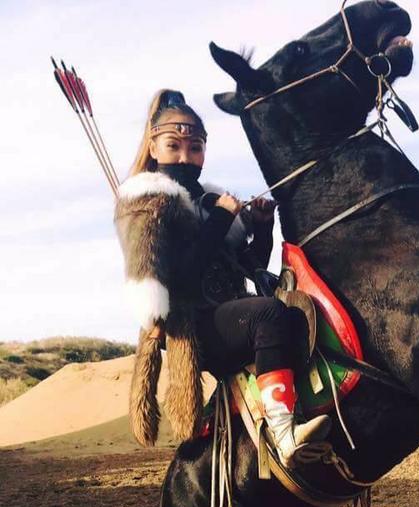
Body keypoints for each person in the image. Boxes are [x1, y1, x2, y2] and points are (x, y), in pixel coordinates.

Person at [114, 89, 330, 466]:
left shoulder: (209, 201)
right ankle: (283, 433)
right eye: (174, 145)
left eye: (195, 148)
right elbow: (174, 284)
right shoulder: (147, 203)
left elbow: (244, 269)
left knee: (292, 316)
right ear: (153, 147)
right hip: (189, 327)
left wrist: (262, 228)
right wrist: (219, 221)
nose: (186, 156)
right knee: (267, 315)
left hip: (227, 315)